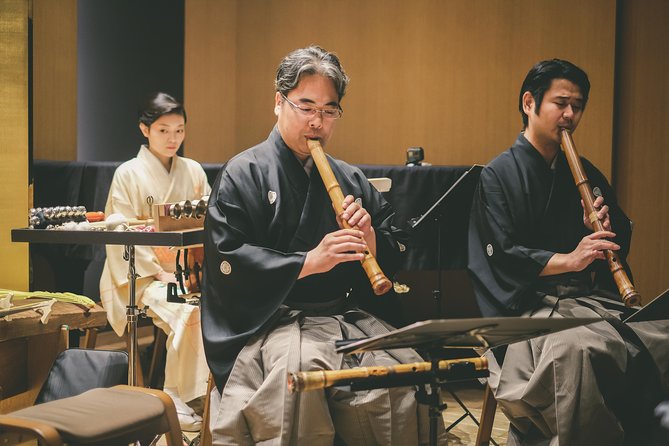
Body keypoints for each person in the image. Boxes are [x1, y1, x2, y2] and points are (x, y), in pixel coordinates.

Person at [201, 46, 443, 445]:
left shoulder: (348, 178)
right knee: (302, 379)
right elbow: (230, 260)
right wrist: (307, 262)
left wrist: (372, 242)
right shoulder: (242, 173)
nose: (318, 122)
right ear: (279, 102)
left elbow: (397, 242)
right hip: (273, 321)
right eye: (306, 107)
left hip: (346, 316)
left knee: (404, 376)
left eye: (329, 111)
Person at [468, 59, 669, 445]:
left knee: (658, 335)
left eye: (577, 106)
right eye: (561, 103)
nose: (570, 115)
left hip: (588, 300)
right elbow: (503, 256)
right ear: (530, 103)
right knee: (576, 351)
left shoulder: (585, 171)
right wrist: (571, 259)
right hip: (529, 308)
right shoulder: (497, 174)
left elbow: (615, 240)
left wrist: (603, 231)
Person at [99, 92, 212, 431]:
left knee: (216, 306)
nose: (173, 138)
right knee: (189, 312)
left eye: (179, 130)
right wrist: (158, 271)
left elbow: (207, 220)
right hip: (141, 276)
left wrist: (193, 269)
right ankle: (176, 396)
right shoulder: (128, 173)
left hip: (188, 271)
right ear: (144, 129)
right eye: (164, 130)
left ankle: (205, 393)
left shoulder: (192, 170)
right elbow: (118, 230)